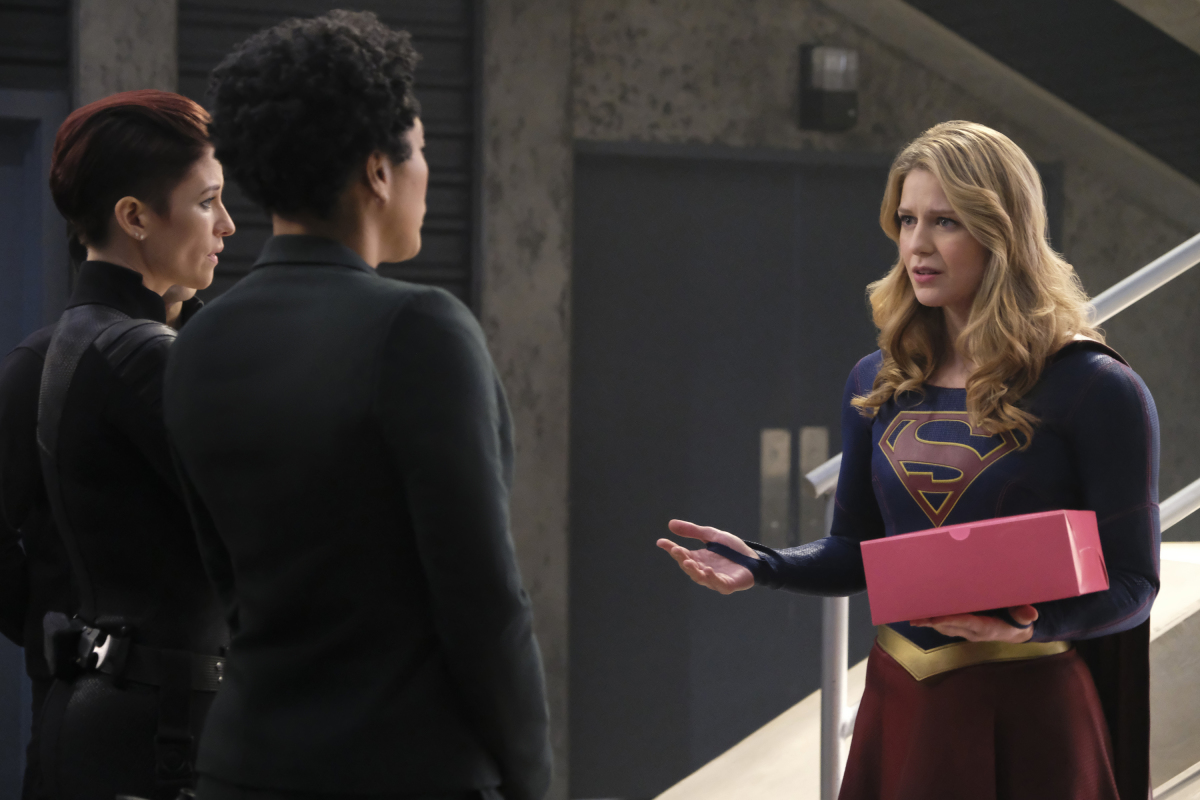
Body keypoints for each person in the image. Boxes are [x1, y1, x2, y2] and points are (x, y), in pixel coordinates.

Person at [658, 121, 1158, 800]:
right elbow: (856, 551)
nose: (918, 244)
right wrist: (764, 565)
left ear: (1002, 232)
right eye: (907, 219)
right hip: (900, 703)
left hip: (1029, 715)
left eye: (945, 221)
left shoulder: (1094, 386)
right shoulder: (879, 379)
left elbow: (1134, 583)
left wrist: (1029, 623)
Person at [162, 11, 552, 800]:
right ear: (378, 171)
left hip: (241, 767)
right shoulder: (420, 328)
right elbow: (483, 601)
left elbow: (226, 583)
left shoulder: (198, 342)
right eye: (421, 150)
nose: (425, 173)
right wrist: (531, 781)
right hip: (404, 771)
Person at [31, 89, 235, 800]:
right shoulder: (140, 353)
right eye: (207, 201)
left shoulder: (83, 335)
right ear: (135, 217)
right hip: (157, 737)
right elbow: (271, 531)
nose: (228, 224)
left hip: (113, 712)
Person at [0, 278, 199, 800]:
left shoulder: (220, 356)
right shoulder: (46, 361)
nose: (224, 235)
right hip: (86, 702)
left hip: (211, 700)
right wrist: (48, 622)